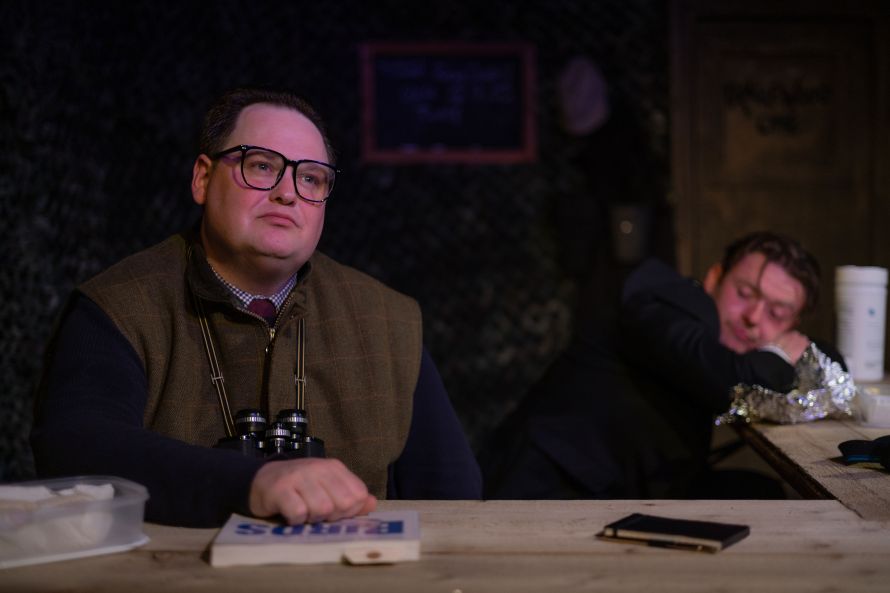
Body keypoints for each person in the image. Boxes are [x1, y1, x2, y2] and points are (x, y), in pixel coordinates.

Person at [32, 86, 481, 527]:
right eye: (262, 166)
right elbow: (77, 446)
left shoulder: (388, 319)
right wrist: (252, 482)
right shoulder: (119, 305)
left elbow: (454, 496)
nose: (288, 193)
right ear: (203, 179)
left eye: (310, 177)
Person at [481, 231, 839, 500]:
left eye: (777, 314)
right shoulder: (667, 301)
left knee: (763, 496)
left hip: (625, 490)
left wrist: (796, 353)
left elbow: (830, 362)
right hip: (542, 487)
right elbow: (731, 381)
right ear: (714, 279)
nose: (752, 318)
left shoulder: (732, 344)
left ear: (792, 327)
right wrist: (779, 354)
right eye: (744, 294)